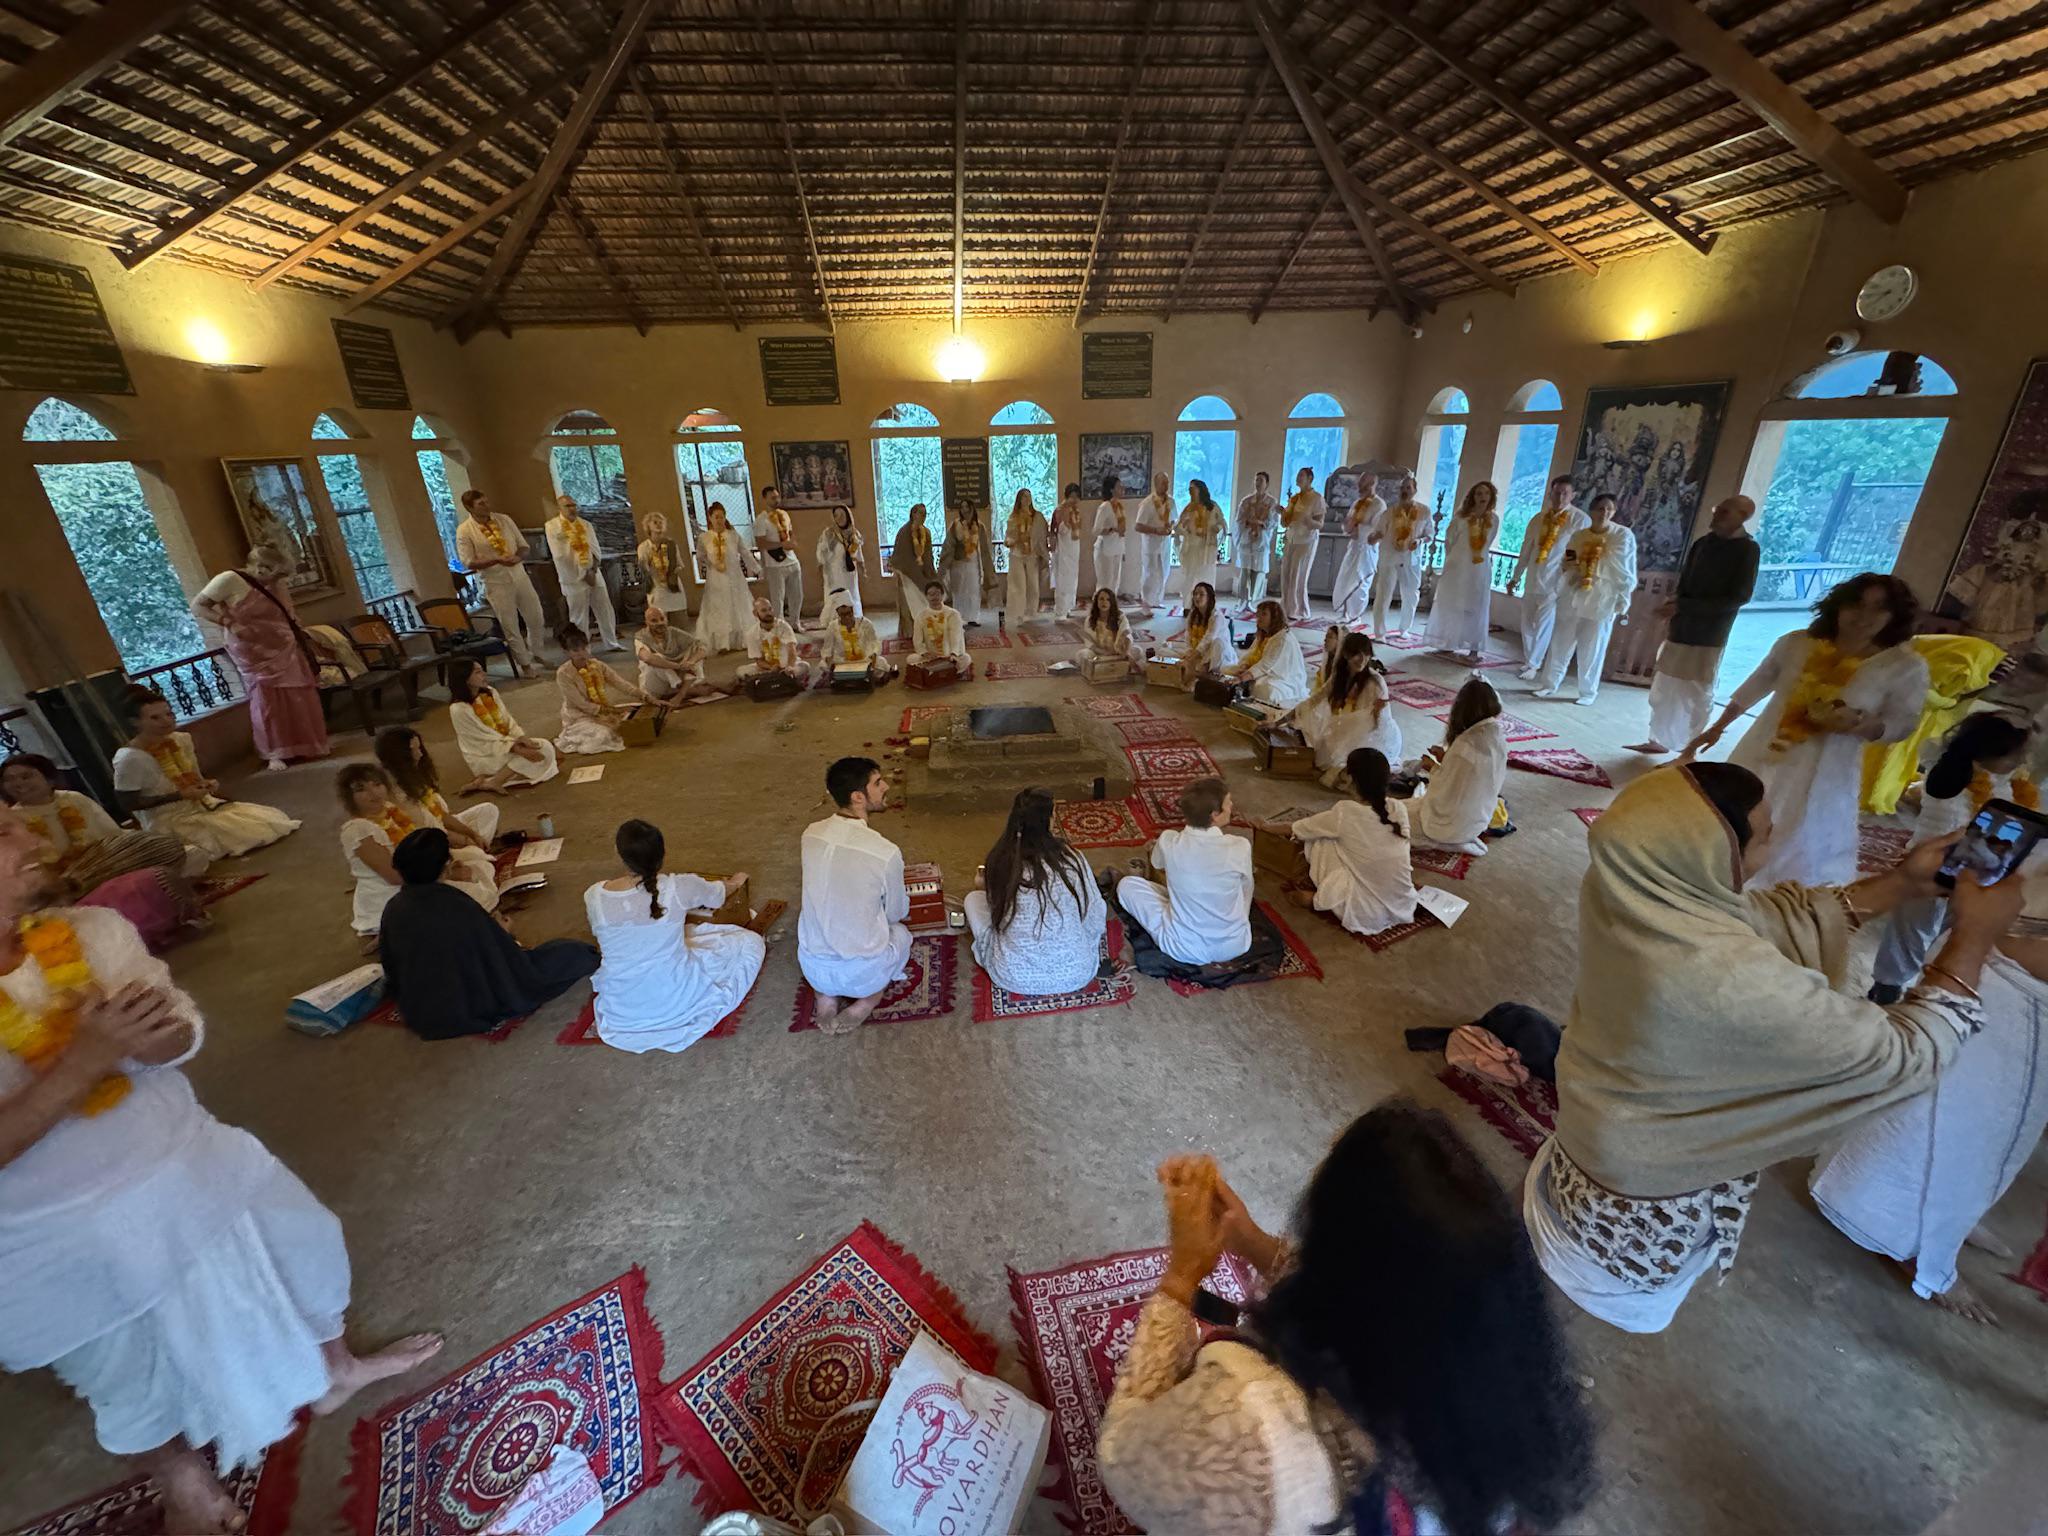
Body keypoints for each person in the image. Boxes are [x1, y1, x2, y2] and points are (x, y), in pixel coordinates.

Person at [0, 808, 443, 1533]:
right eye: (3, 833)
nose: (33, 841)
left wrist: (155, 1031)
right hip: (52, 1231)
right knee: (127, 1381)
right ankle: (185, 1481)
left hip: (186, 1153)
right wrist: (84, 1058)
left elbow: (178, 1028)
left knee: (307, 1245)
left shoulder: (90, 933)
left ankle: (334, 1370)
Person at [1526, 762, 2015, 1333]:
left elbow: (1769, 920)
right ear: (1712, 856)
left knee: (1582, 1218)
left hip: (1596, 1123)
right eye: (1764, 835)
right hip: (1652, 1181)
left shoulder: (1634, 885)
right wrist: (1974, 939)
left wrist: (1902, 884)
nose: (1775, 841)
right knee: (1626, 1277)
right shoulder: (1724, 976)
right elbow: (1900, 1056)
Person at [1098, 1108, 1591, 1536]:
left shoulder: (1248, 1416)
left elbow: (1125, 1464)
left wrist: (1182, 1277)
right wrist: (1251, 1242)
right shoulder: (1509, 1395)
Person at [1811, 861, 2048, 1325]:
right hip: (2007, 976)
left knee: (1990, 1132)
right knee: (1955, 1120)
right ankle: (1905, 1238)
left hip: (2010, 979)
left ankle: (1941, 1224)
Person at [1684, 572, 1930, 888]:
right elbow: (1759, 682)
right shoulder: (1797, 643)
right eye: (1856, 604)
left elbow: (1903, 723)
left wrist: (1862, 724)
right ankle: (1715, 879)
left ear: (1894, 616)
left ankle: (1776, 898)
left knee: (1800, 832)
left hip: (1827, 768)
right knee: (1737, 814)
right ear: (1838, 605)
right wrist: (1718, 726)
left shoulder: (1904, 666)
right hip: (1764, 748)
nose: (1863, 616)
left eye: (1879, 608)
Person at [1866, 713, 2033, 1004]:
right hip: (1930, 866)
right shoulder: (1949, 776)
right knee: (1912, 928)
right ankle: (1888, 985)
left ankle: (1932, 981)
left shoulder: (2002, 780)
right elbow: (1951, 828)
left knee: (1949, 926)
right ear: (1986, 755)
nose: (2020, 762)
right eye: (2014, 756)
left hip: (1976, 870)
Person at [378, 829, 598, 1040]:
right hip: (468, 1004)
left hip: (420, 1012)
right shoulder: (454, 904)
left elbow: (392, 968)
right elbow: (499, 960)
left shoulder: (394, 907)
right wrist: (504, 932)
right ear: (445, 866)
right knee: (575, 953)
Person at [585, 818, 765, 1054]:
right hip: (677, 1000)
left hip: (623, 1008)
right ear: (663, 853)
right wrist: (736, 881)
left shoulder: (594, 895)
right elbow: (720, 895)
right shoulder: (678, 886)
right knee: (749, 942)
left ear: (619, 853)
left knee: (684, 936)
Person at [1629, 494, 1762, 754]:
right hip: (1681, 628)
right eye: (1717, 509)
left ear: (1742, 517)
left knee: (1696, 691)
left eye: (1724, 512)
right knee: (1665, 685)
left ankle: (1688, 748)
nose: (1716, 515)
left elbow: (1739, 597)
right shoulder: (1702, 543)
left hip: (1709, 634)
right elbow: (1685, 582)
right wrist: (1675, 602)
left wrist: (1686, 607)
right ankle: (1657, 739)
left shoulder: (1747, 550)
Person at [112, 692, 298, 866]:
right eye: (155, 718)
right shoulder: (129, 758)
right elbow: (127, 803)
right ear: (135, 722)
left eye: (169, 714)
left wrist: (204, 785)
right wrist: (181, 795)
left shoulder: (179, 739)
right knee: (251, 834)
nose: (166, 721)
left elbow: (192, 774)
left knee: (269, 820)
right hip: (168, 820)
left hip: (200, 805)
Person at [2, 753, 200, 916]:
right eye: (8, 780)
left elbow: (111, 834)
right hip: (61, 882)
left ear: (50, 778)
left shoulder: (74, 799)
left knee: (193, 855)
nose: (18, 784)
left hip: (106, 863)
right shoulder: (12, 819)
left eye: (26, 776)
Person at [190, 544, 329, 771]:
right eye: (273, 574)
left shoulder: (276, 583)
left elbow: (286, 612)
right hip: (252, 650)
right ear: (260, 567)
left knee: (299, 694)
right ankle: (274, 752)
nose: (274, 580)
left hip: (283, 643)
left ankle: (306, 744)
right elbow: (198, 606)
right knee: (267, 701)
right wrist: (229, 623)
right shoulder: (229, 579)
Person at [798, 756, 911, 1034]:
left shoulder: (810, 834)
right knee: (901, 933)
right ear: (858, 797)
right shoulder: (885, 852)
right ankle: (866, 1002)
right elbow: (895, 913)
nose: (886, 786)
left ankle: (825, 998)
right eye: (878, 782)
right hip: (865, 974)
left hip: (814, 967)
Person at [965, 787, 1108, 996]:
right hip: (1077, 972)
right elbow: (1095, 912)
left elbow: (997, 909)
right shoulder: (1072, 858)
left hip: (1013, 976)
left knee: (972, 900)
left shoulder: (1001, 860)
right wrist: (1084, 944)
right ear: (1047, 821)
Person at [335, 763, 496, 942]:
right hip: (393, 895)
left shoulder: (389, 810)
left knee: (481, 865)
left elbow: (419, 849)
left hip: (417, 879)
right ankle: (399, 929)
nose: (374, 793)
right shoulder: (357, 830)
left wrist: (449, 865)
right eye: (361, 790)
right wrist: (446, 875)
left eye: (377, 784)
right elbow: (394, 877)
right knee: (480, 894)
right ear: (348, 797)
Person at [1268, 747, 1419, 936]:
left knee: (1320, 840)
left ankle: (1318, 900)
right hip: (1402, 902)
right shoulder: (1399, 807)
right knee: (1334, 836)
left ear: (1350, 778)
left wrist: (1264, 826)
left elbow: (1297, 828)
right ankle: (1326, 897)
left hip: (1365, 913)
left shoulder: (1345, 812)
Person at [1116, 777, 1253, 965]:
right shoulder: (1240, 846)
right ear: (1214, 814)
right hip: (1236, 944)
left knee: (1127, 885)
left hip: (1184, 948)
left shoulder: (1168, 840)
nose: (1231, 806)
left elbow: (1156, 864)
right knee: (1235, 887)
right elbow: (1247, 889)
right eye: (1228, 802)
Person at [1533, 493, 1638, 705]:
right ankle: (1549, 684)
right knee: (1561, 641)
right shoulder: (1579, 535)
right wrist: (1575, 570)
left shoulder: (1622, 535)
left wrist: (1618, 593)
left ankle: (1588, 692)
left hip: (1602, 597)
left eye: (1609, 509)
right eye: (1600, 508)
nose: (1604, 513)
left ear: (1614, 512)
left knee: (1593, 646)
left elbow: (1622, 567)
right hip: (1574, 593)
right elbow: (1569, 557)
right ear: (1592, 511)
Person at [1411, 678, 1510, 856]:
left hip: (1447, 827)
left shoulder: (1466, 743)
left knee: (1394, 816)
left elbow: (1447, 788)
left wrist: (1432, 766)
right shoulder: (1497, 735)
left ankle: (1447, 842)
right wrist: (1446, 758)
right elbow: (1469, 775)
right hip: (1478, 822)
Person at [455, 488, 547, 677]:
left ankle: (537, 652)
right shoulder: (464, 530)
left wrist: (517, 557)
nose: (487, 505)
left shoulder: (504, 520)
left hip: (519, 575)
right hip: (495, 581)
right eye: (481, 504)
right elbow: (468, 561)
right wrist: (496, 560)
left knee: (536, 616)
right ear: (469, 508)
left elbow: (523, 546)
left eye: (486, 501)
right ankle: (525, 665)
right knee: (510, 624)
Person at [374, 724, 502, 859]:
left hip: (441, 830)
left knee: (488, 810)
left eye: (419, 748)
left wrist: (472, 835)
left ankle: (473, 851)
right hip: (428, 844)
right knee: (479, 858)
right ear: (400, 755)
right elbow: (431, 831)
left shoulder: (411, 775)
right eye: (415, 750)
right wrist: (465, 840)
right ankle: (470, 855)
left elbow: (441, 814)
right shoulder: (395, 793)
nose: (420, 754)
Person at [1293, 632, 1399, 789]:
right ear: (1346, 655)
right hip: (1342, 730)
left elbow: (1379, 727)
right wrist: (1283, 719)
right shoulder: (1340, 676)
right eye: (1356, 655)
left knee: (1344, 773)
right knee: (1318, 749)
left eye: (1366, 655)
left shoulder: (1375, 682)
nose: (1362, 660)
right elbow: (1316, 699)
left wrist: (1378, 713)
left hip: (1369, 738)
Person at [1511, 475, 1590, 680]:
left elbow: (1579, 550)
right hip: (1533, 576)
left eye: (1565, 493)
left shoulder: (1579, 519)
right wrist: (1516, 575)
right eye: (1557, 492)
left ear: (1573, 495)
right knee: (1527, 622)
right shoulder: (1538, 519)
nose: (1560, 497)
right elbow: (1526, 548)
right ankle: (1529, 659)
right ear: (1550, 493)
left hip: (1557, 579)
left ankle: (1534, 664)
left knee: (1544, 623)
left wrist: (1572, 571)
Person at [448, 660, 558, 789]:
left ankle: (490, 780)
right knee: (538, 755)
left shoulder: (490, 692)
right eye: (478, 672)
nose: (484, 674)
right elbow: (482, 740)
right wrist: (515, 748)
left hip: (507, 743)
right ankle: (496, 780)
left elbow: (507, 720)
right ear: (464, 679)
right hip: (485, 754)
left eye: (483, 670)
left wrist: (521, 738)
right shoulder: (458, 709)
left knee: (544, 747)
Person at [1426, 481, 1500, 663]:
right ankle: (1447, 644)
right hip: (1457, 567)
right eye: (1478, 493)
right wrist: (1455, 561)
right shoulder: (1461, 518)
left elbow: (1488, 543)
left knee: (1476, 606)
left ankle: (1474, 650)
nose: (1482, 497)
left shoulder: (1493, 520)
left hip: (1479, 568)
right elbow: (1449, 542)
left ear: (1491, 498)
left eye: (1486, 494)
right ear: (1472, 497)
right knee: (1452, 604)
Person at [555, 624, 650, 754]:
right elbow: (581, 704)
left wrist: (645, 696)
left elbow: (620, 683)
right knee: (602, 735)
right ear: (566, 652)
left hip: (602, 709)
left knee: (633, 714)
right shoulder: (563, 673)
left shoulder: (597, 665)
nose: (582, 653)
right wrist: (614, 711)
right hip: (579, 716)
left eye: (584, 648)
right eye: (576, 650)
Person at [545, 494, 620, 651]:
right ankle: (583, 649)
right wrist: (582, 571)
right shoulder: (552, 526)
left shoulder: (585, 525)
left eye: (574, 505)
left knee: (605, 608)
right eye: (568, 506)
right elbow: (559, 555)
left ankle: (612, 643)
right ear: (559, 508)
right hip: (572, 576)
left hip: (593, 572)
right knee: (579, 615)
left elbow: (595, 548)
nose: (572, 509)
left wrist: (592, 570)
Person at [1368, 475, 1433, 638]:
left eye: (1408, 488)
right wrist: (1373, 537)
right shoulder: (1389, 512)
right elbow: (1379, 532)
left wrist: (1419, 541)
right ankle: (1379, 633)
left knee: (1411, 594)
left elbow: (1429, 535)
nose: (1404, 491)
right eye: (1402, 488)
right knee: (1383, 593)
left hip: (1411, 559)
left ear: (1415, 490)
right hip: (1389, 557)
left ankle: (1405, 629)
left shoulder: (1424, 511)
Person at [635, 602, 724, 704]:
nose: (660, 623)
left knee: (694, 653)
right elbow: (647, 658)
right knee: (656, 658)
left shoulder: (674, 632)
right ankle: (687, 689)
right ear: (646, 622)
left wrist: (691, 661)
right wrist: (678, 666)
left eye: (662, 619)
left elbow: (702, 647)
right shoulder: (641, 637)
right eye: (654, 621)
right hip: (655, 687)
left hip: (678, 678)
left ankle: (681, 694)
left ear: (666, 619)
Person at [695, 501, 755, 652]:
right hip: (716, 577)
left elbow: (745, 552)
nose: (719, 520)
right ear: (710, 518)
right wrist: (710, 564)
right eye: (716, 517)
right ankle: (722, 643)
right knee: (719, 607)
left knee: (738, 605)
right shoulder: (704, 537)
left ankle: (741, 639)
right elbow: (700, 555)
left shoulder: (733, 535)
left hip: (734, 575)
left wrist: (755, 567)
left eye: (722, 517)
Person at [1229, 599, 1309, 708]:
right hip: (1259, 671)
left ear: (1274, 617)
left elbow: (1266, 665)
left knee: (1264, 689)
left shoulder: (1282, 638)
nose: (1259, 618)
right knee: (1226, 671)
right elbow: (1251, 653)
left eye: (1264, 614)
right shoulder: (1263, 634)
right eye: (1258, 614)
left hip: (1280, 677)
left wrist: (1242, 678)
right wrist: (1244, 666)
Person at [1277, 466, 1325, 623]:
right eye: (1297, 475)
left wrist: (1309, 521)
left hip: (1306, 540)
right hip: (1291, 538)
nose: (1298, 478)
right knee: (1286, 572)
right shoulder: (1295, 498)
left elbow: (1320, 523)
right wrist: (1282, 512)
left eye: (1301, 475)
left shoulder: (1317, 498)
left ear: (1310, 479)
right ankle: (1286, 606)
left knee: (1298, 573)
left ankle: (1298, 609)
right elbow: (1286, 522)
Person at [1331, 480, 1383, 625]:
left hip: (1367, 549)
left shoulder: (1379, 505)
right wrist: (1347, 528)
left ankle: (1356, 616)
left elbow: (1377, 529)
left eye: (1365, 485)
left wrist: (1358, 530)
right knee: (1346, 579)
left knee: (1360, 583)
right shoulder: (1357, 503)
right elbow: (1349, 520)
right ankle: (1346, 613)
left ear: (1373, 485)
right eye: (1360, 485)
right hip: (1353, 547)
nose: (1361, 488)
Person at [755, 485, 804, 629]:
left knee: (797, 595)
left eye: (777, 497)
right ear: (765, 499)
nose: (776, 500)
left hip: (792, 560)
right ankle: (781, 627)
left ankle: (795, 622)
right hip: (774, 564)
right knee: (778, 599)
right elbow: (761, 543)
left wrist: (792, 542)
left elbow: (791, 533)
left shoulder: (784, 515)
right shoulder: (761, 520)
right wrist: (782, 545)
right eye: (772, 498)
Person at [1163, 581, 1230, 683]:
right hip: (1196, 654)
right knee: (1163, 649)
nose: (1197, 597)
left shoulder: (1216, 616)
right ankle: (1195, 670)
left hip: (1212, 655)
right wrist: (1190, 652)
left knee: (1218, 644)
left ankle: (1200, 671)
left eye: (1201, 594)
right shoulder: (1192, 615)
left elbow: (1209, 639)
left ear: (1209, 598)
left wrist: (1191, 657)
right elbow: (1188, 637)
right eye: (1195, 594)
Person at [739, 595, 813, 687]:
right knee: (741, 671)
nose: (768, 613)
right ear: (755, 613)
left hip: (787, 665)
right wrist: (771, 667)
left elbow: (792, 650)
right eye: (764, 610)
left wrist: (789, 666)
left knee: (805, 666)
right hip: (767, 668)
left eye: (770, 609)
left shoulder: (783, 626)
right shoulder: (751, 634)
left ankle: (767, 680)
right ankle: (779, 678)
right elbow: (759, 660)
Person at [821, 590, 893, 684]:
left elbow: (874, 642)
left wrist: (874, 654)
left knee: (881, 662)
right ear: (837, 614)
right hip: (842, 661)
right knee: (822, 665)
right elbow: (827, 648)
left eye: (849, 613)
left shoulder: (865, 623)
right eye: (843, 614)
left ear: (853, 610)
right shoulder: (832, 627)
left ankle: (848, 678)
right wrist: (827, 658)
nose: (847, 617)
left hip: (864, 659)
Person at [891, 502, 940, 634]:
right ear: (913, 514)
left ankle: (925, 629)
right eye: (920, 513)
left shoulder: (926, 532)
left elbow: (928, 555)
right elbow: (901, 557)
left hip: (921, 572)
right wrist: (915, 573)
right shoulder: (904, 532)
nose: (923, 517)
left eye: (925, 514)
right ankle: (909, 631)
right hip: (906, 573)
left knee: (924, 600)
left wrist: (930, 573)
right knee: (909, 602)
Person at [944, 503, 995, 625]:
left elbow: (984, 546)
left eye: (967, 507)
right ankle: (959, 618)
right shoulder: (955, 525)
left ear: (972, 509)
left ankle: (973, 617)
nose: (965, 510)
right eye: (962, 507)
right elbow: (949, 545)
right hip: (958, 563)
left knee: (973, 590)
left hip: (974, 563)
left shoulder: (979, 526)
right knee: (959, 591)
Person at [1234, 471, 1277, 611]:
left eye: (1261, 480)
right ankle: (1242, 600)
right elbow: (1239, 519)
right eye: (1256, 480)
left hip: (1261, 540)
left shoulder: (1271, 502)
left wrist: (1260, 523)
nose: (1258, 483)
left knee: (1258, 571)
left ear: (1267, 484)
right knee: (1245, 570)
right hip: (1247, 539)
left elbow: (1273, 521)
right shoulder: (1246, 501)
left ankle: (1254, 601)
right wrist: (1248, 522)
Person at [1176, 480, 1224, 609]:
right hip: (1192, 548)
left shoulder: (1212, 507)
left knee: (1207, 577)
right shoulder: (1188, 508)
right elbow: (1178, 527)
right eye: (1189, 489)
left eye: (1193, 489)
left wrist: (1217, 528)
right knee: (1190, 577)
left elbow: (1222, 523)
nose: (1190, 492)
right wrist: (1185, 529)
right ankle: (1187, 606)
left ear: (1200, 490)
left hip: (1208, 548)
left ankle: (1207, 606)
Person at [906, 580, 970, 673]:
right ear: (926, 597)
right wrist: (925, 653)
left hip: (950, 656)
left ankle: (935, 671)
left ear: (942, 595)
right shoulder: (921, 616)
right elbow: (917, 640)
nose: (934, 597)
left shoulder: (953, 614)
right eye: (930, 594)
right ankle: (945, 670)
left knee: (966, 658)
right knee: (911, 659)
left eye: (937, 594)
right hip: (931, 657)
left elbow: (956, 636)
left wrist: (953, 654)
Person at [636, 511, 690, 618]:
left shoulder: (671, 544)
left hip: (672, 585)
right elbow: (644, 568)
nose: (658, 525)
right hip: (656, 587)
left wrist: (672, 572)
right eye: (655, 522)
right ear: (648, 526)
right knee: (658, 618)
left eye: (661, 522)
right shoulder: (644, 547)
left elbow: (679, 564)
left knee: (679, 617)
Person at [816, 503, 865, 619]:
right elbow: (820, 554)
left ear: (848, 516)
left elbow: (858, 553)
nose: (840, 518)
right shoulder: (828, 534)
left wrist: (862, 566)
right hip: (833, 573)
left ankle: (854, 617)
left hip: (849, 572)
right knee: (836, 596)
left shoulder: (854, 533)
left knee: (851, 594)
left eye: (843, 515)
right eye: (836, 515)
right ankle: (834, 620)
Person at [1003, 489, 1046, 623]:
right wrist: (1014, 541)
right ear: (1019, 500)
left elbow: (1043, 534)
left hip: (1032, 554)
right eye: (1024, 497)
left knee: (1033, 583)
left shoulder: (1037, 516)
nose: (1027, 499)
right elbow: (1008, 537)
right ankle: (1018, 613)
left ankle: (1031, 611)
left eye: (1029, 497)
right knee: (1018, 584)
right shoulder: (1013, 517)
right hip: (1017, 553)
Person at [1135, 471, 1175, 612]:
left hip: (1165, 544)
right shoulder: (1147, 503)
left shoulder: (1171, 501)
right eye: (1163, 483)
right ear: (1156, 484)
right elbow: (1138, 526)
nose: (1166, 485)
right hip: (1151, 544)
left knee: (1164, 572)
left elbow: (1173, 520)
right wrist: (1156, 530)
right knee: (1149, 574)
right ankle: (1146, 604)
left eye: (1167, 482)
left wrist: (1170, 527)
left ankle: (1157, 600)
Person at [1081, 587, 1142, 674]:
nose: (1104, 602)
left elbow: (1127, 635)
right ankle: (1114, 664)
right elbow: (1089, 642)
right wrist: (1104, 652)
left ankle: (1110, 665)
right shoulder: (1090, 619)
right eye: (1101, 599)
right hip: (1100, 653)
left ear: (1112, 602)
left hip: (1119, 651)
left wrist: (1126, 652)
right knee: (1083, 654)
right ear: (1096, 602)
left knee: (1138, 651)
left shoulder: (1120, 617)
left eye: (1108, 600)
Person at [1093, 476, 1132, 604]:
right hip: (1105, 549)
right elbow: (1096, 530)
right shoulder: (1105, 506)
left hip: (1117, 548)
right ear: (1111, 490)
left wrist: (1124, 550)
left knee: (1115, 581)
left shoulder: (1119, 506)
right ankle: (1099, 609)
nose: (1122, 488)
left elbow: (1122, 531)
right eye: (1119, 486)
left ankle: (1111, 609)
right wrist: (1112, 529)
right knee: (1105, 582)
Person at [1049, 483, 1085, 615]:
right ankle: (1060, 610)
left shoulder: (1076, 512)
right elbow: (1054, 531)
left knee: (1072, 577)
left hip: (1074, 548)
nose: (1075, 500)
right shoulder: (1059, 511)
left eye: (1077, 497)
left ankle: (1068, 606)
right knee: (1062, 578)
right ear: (1067, 496)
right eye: (1072, 496)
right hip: (1062, 548)